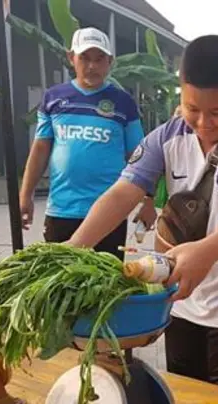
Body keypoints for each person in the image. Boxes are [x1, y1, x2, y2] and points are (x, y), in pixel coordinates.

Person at [67, 35, 218, 388]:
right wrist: (74, 246)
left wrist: (206, 251)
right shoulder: (166, 136)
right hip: (180, 301)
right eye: (192, 108)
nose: (203, 122)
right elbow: (123, 192)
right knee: (186, 399)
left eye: (217, 112)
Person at [19, 27, 156, 258]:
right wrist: (25, 196)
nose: (92, 66)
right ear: (71, 57)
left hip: (110, 212)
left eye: (99, 58)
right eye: (85, 58)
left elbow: (138, 156)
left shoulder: (123, 102)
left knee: (105, 282)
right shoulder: (53, 98)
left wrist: (149, 201)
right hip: (62, 210)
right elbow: (41, 148)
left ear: (109, 61)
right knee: (60, 282)